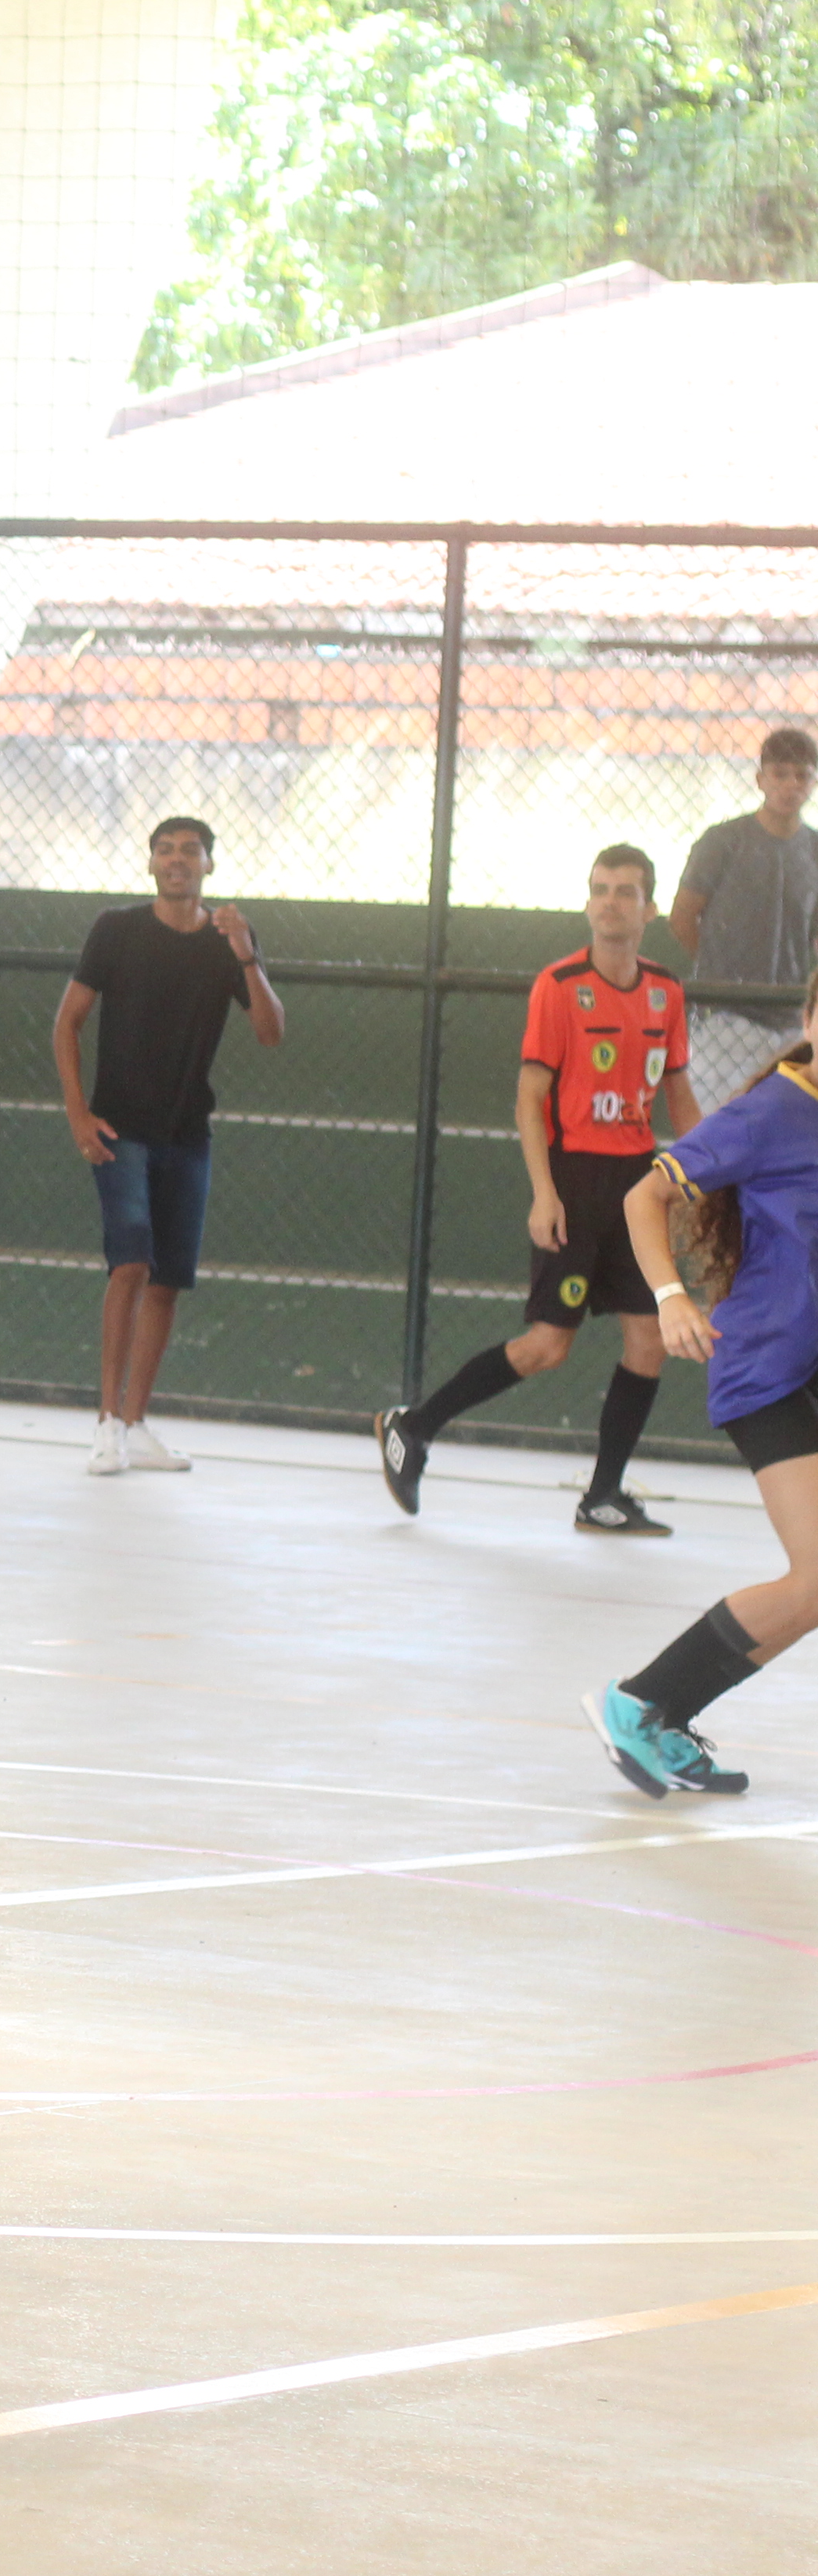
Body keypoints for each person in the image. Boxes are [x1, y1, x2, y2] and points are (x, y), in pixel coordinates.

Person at [376, 845, 694, 1532]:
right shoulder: (559, 985)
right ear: (588, 903)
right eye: (600, 890)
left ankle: (603, 1496)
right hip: (574, 1178)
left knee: (650, 1341)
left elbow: (679, 1091)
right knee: (549, 1346)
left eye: (626, 892)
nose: (611, 902)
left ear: (650, 909)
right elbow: (529, 1099)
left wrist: (706, 1171)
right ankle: (415, 1427)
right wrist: (544, 1193)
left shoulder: (667, 990)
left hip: (638, 1181)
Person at [580, 965, 818, 1798]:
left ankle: (660, 1712)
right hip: (769, 1369)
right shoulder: (774, 1112)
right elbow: (647, 1197)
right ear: (811, 1018)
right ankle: (643, 1705)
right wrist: (671, 1295)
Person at [52, 816, 285, 1474]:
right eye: (165, 850)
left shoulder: (226, 940)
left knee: (166, 1283)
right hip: (120, 1130)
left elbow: (271, 1031)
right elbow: (68, 1021)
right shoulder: (116, 931)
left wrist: (246, 952)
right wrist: (77, 1113)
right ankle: (105, 1425)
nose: (177, 860)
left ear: (209, 865)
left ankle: (135, 1423)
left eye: (190, 851)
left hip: (188, 1135)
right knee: (129, 1264)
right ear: (150, 863)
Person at [668, 726, 815, 1111]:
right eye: (781, 774)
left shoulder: (814, 850)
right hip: (725, 1020)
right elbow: (682, 917)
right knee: (716, 1131)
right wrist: (719, 971)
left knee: (784, 1133)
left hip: (791, 1021)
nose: (791, 785)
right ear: (761, 780)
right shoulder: (723, 841)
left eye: (802, 776)